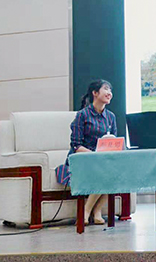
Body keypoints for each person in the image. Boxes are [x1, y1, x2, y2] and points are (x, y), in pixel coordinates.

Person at [67, 79, 117, 225]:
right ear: (95, 93)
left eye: (110, 90)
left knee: (115, 171)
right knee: (103, 170)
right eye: (105, 89)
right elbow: (76, 145)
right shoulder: (82, 115)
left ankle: (97, 210)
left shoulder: (111, 117)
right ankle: (86, 211)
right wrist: (95, 156)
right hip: (83, 157)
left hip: (102, 159)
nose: (109, 93)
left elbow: (113, 142)